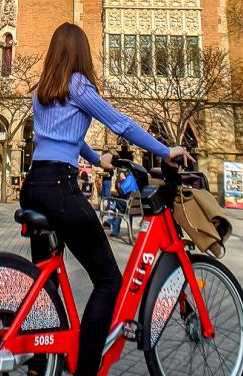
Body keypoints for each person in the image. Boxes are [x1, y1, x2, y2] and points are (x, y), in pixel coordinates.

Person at [22, 22, 191, 376]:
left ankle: (41, 362)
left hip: (34, 185)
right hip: (59, 187)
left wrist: (96, 158)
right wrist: (165, 150)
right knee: (108, 281)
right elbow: (122, 125)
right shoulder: (79, 85)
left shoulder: (41, 91)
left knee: (46, 280)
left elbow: (58, 135)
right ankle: (85, 369)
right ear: (80, 54)